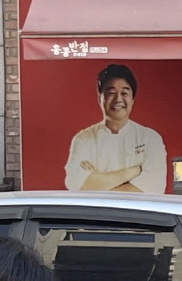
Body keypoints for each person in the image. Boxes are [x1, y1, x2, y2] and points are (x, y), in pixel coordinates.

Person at [63, 65, 167, 194]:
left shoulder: (150, 138)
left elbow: (154, 188)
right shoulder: (84, 139)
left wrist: (97, 184)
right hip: (96, 208)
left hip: (136, 208)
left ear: (132, 100)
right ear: (100, 98)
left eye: (124, 93)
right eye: (111, 93)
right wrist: (133, 171)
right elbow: (77, 185)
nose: (118, 99)